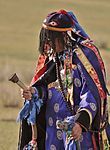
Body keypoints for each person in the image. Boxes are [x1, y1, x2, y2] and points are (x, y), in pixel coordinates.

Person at [18, 10, 110, 150]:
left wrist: (80, 123)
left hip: (77, 133)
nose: (48, 43)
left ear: (64, 36)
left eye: (51, 38)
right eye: (46, 38)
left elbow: (92, 94)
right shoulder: (52, 57)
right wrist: (34, 93)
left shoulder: (84, 57)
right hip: (53, 132)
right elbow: (47, 86)